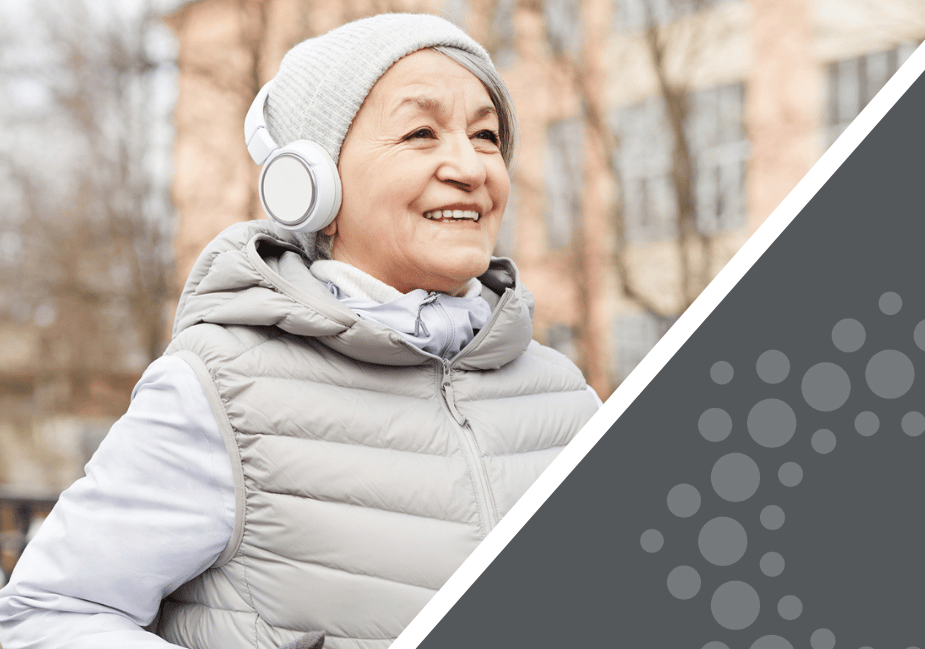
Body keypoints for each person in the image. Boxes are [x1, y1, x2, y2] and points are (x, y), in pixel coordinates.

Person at [0, 12, 600, 649]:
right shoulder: (223, 390)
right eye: (421, 132)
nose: (471, 166)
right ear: (312, 184)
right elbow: (46, 616)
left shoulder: (564, 398)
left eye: (486, 136)